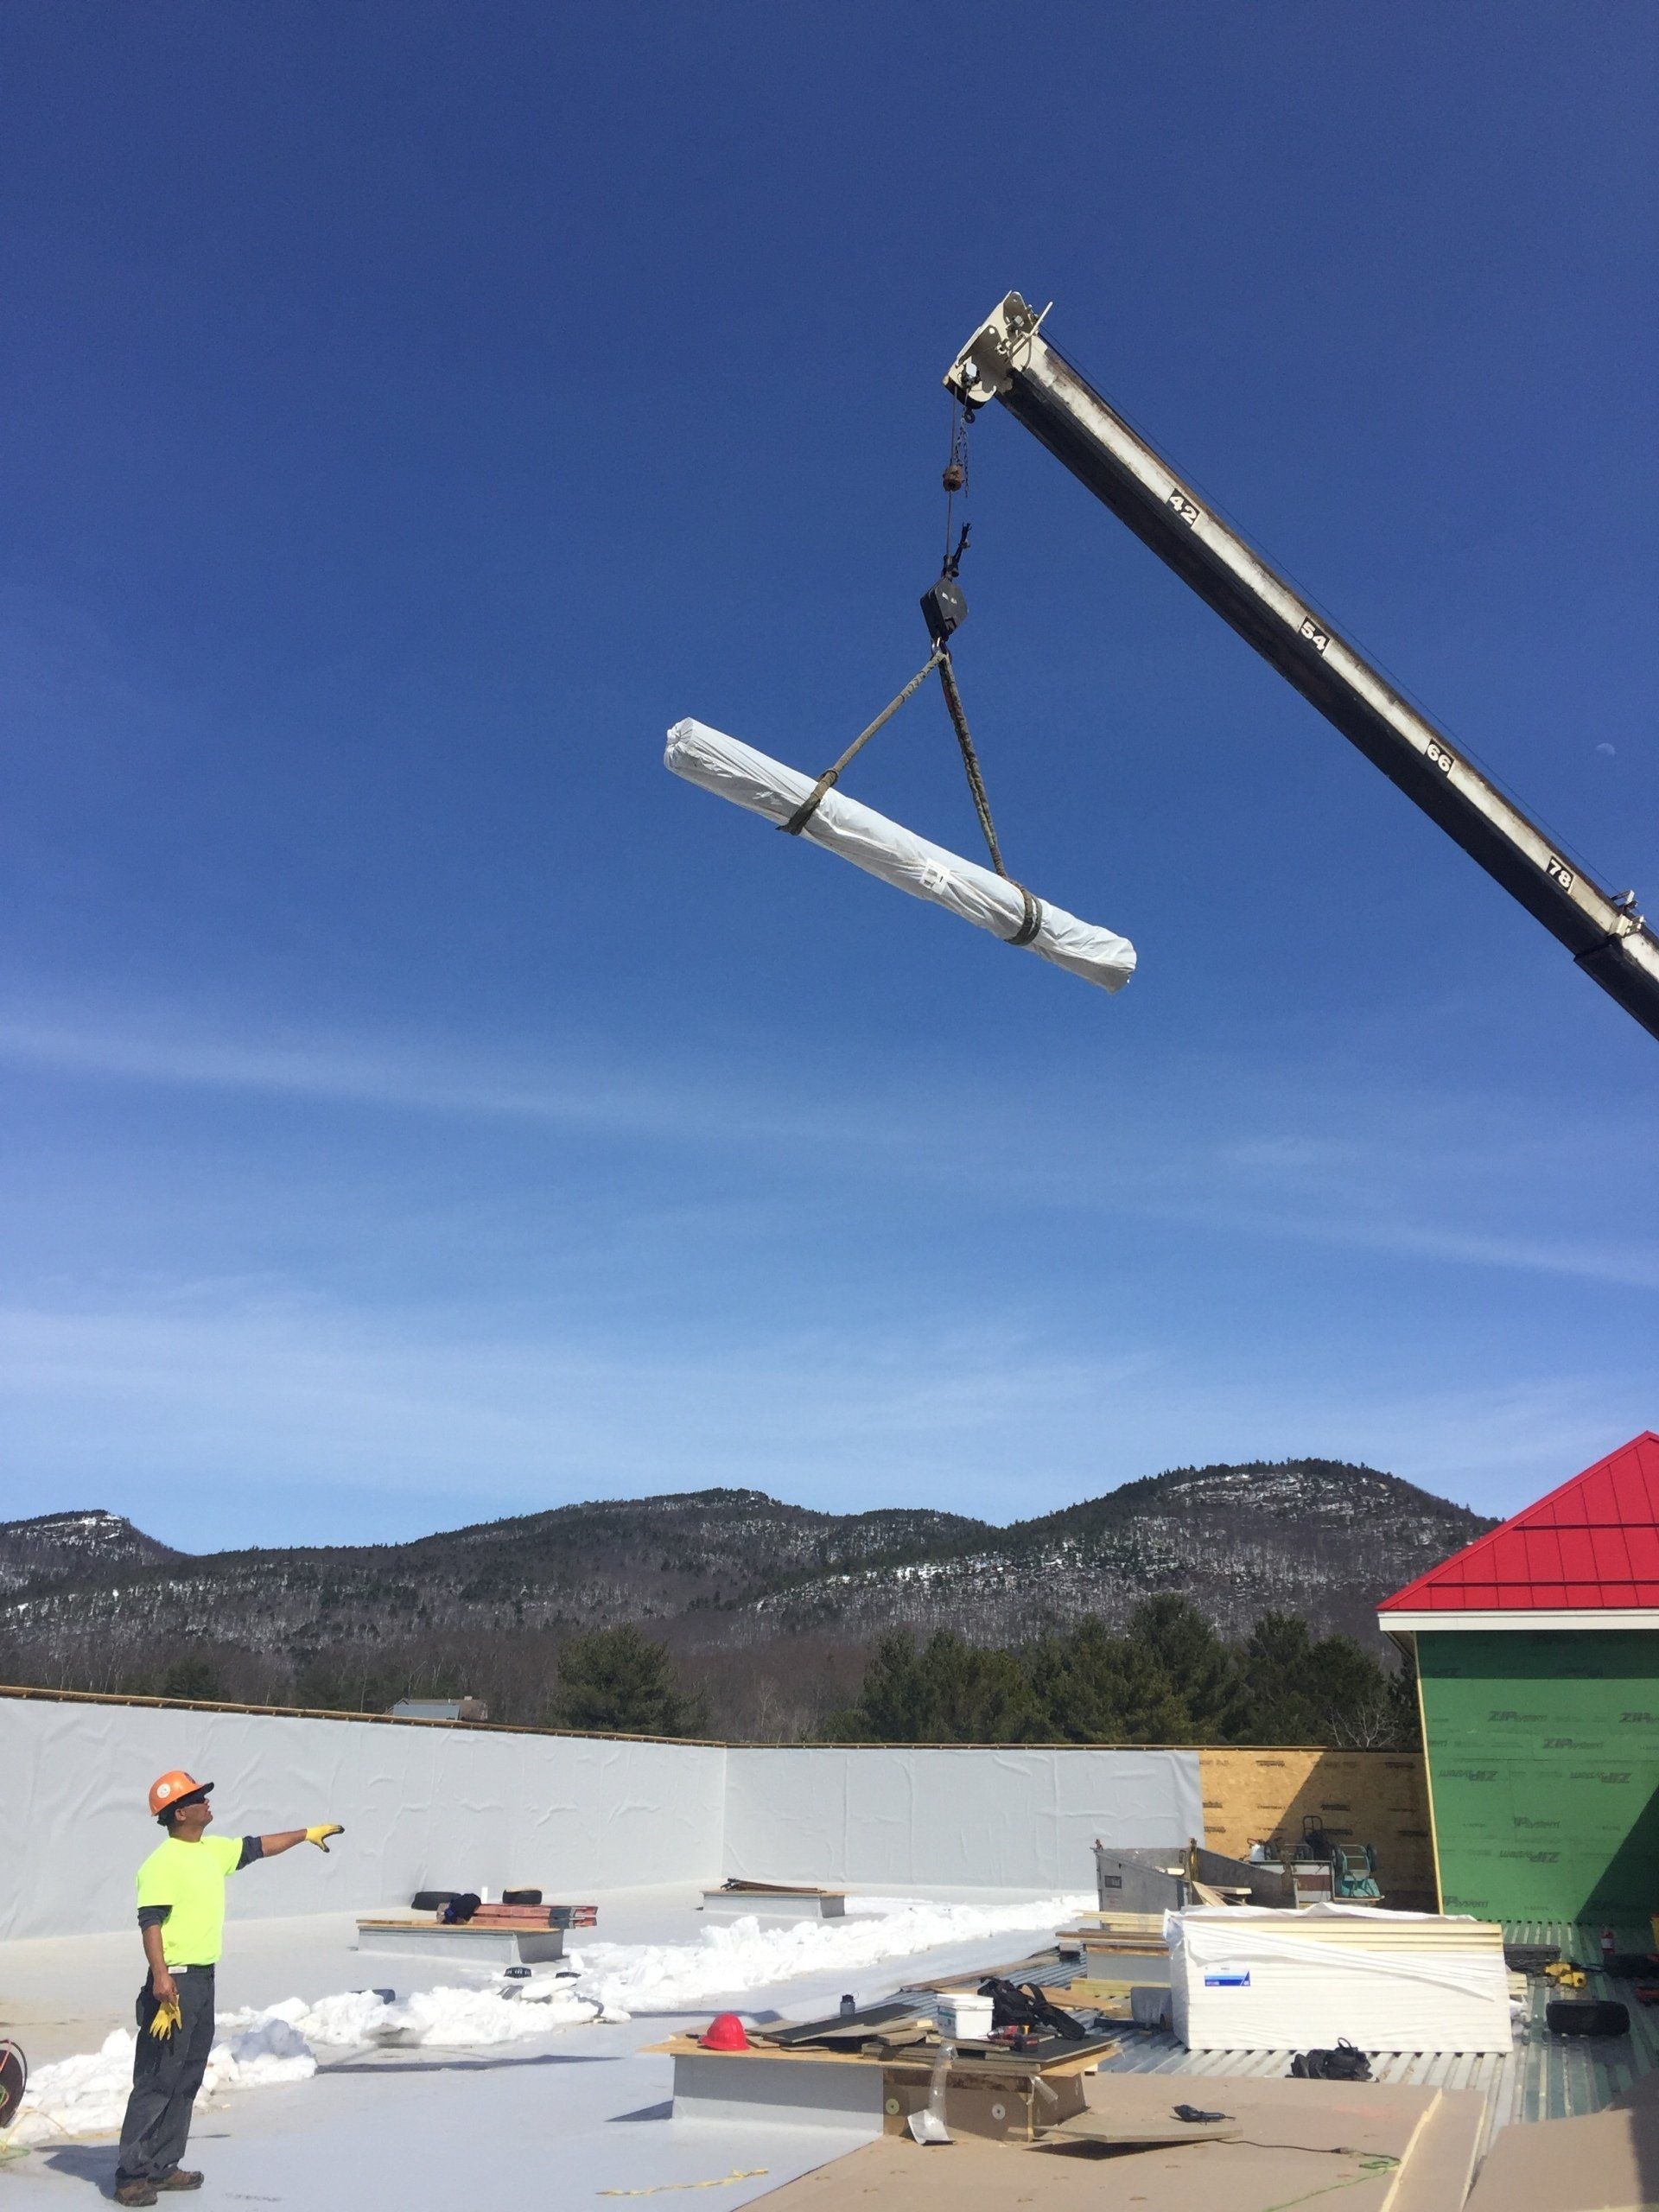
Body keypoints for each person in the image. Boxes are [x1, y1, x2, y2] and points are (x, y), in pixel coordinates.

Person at [114, 1770, 343, 2208]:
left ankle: (162, 2165)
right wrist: (161, 1976)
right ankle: (131, 2175)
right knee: (157, 2080)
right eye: (198, 1798)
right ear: (180, 1813)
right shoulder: (161, 1863)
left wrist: (305, 1834)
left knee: (187, 2076)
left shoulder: (211, 1851)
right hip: (174, 1983)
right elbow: (150, 1922)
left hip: (203, 1979)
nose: (207, 1802)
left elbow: (257, 1847)